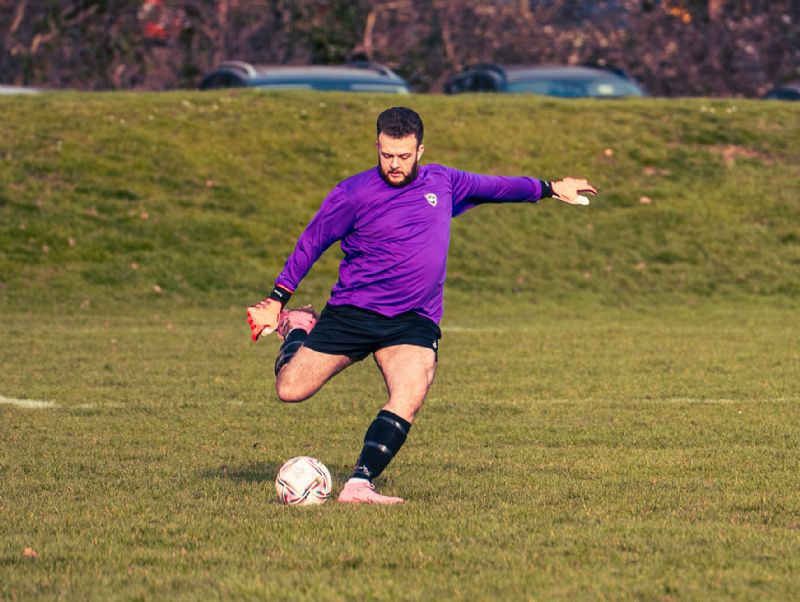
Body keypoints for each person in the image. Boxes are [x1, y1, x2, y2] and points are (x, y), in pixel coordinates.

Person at [247, 106, 596, 505]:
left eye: (404, 156)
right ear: (377, 146)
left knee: (410, 393)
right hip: (353, 313)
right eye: (386, 155)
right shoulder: (352, 193)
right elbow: (311, 243)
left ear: (420, 150)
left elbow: (497, 187)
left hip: (412, 321)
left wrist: (550, 187)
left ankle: (360, 484)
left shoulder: (444, 182)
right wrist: (277, 300)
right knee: (290, 390)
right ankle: (299, 329)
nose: (394, 164)